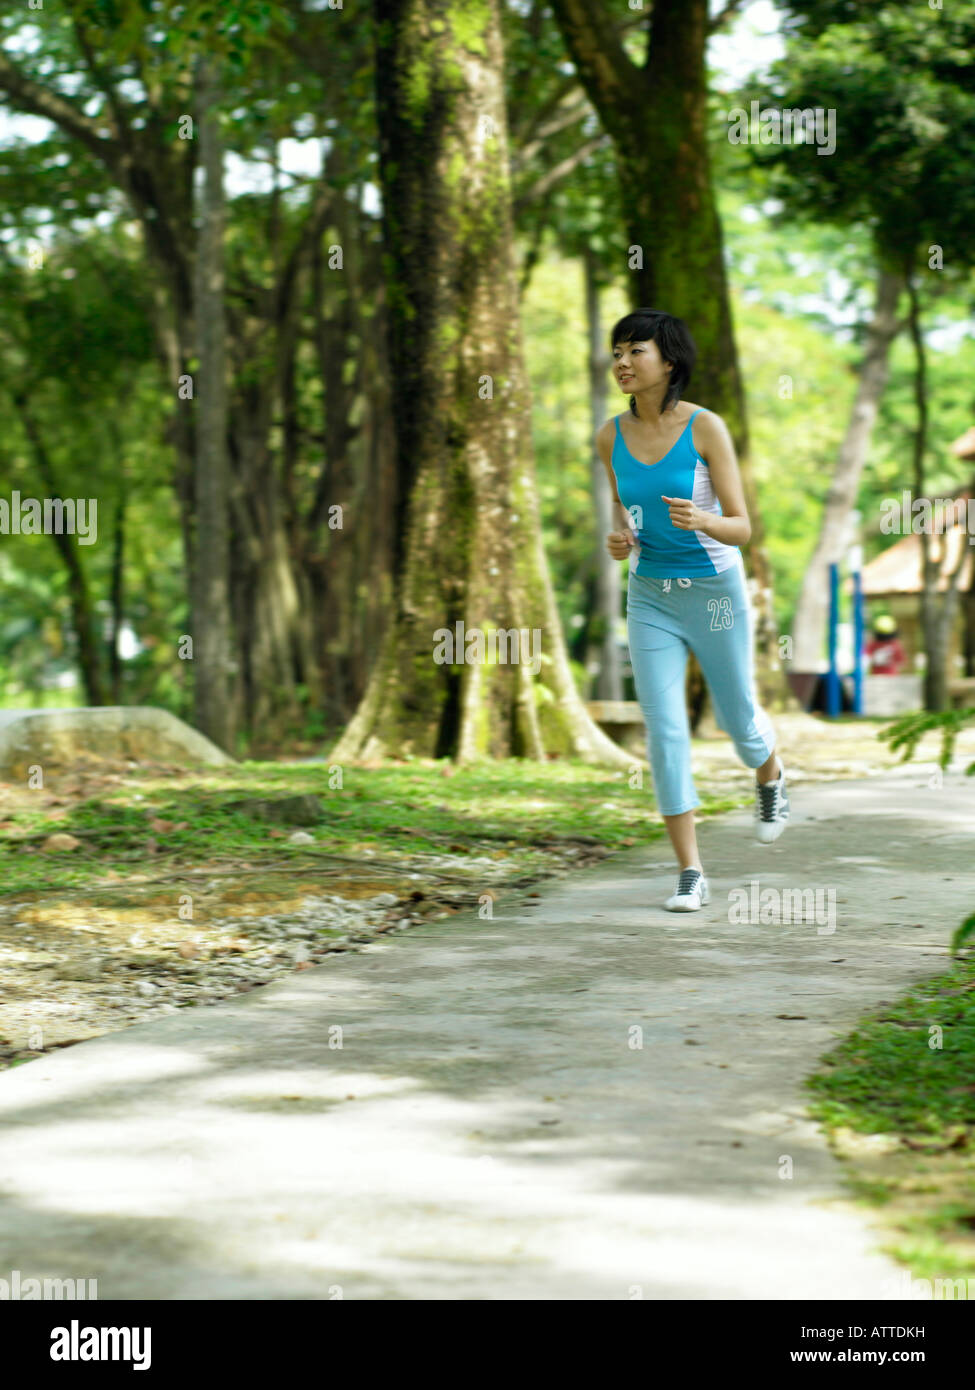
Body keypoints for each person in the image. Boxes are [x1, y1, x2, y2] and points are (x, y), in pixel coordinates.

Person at [596, 308, 789, 912]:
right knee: (665, 729)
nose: (622, 363)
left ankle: (770, 775)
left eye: (636, 352)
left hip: (713, 591)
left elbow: (742, 528)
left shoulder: (706, 428)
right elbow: (620, 516)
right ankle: (689, 872)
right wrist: (619, 540)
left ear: (669, 361)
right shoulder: (610, 436)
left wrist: (705, 519)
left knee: (736, 719)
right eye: (617, 352)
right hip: (650, 592)